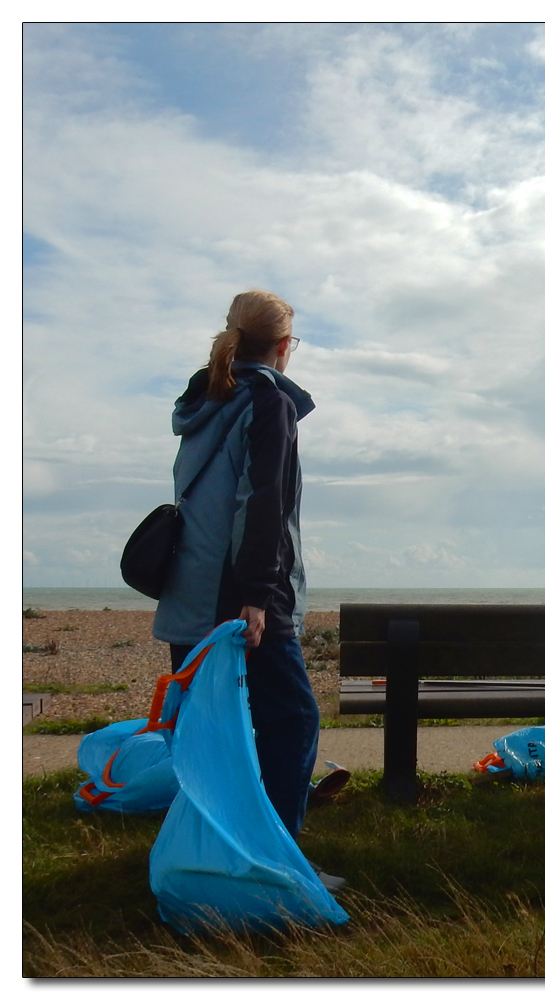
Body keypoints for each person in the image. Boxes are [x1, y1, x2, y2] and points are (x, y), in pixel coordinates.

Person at [151, 289, 344, 892]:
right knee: (292, 720)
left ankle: (216, 853)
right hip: (239, 600)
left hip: (189, 594)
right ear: (285, 347)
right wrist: (258, 596)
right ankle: (276, 867)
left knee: (212, 733)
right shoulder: (267, 400)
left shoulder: (209, 398)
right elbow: (261, 505)